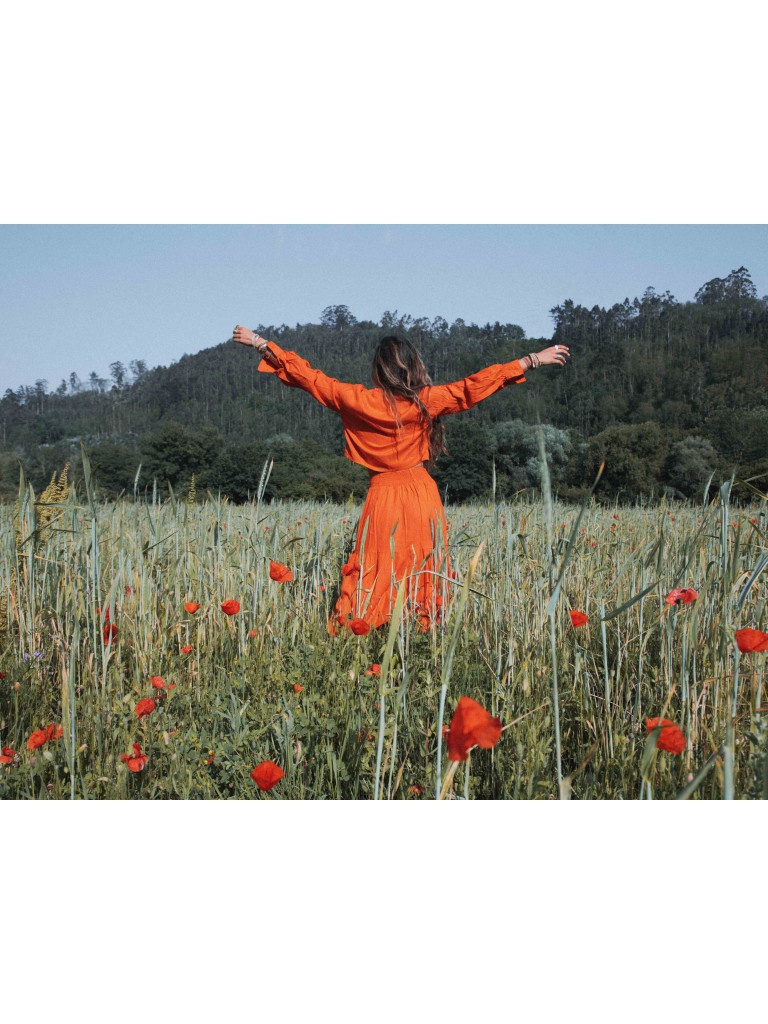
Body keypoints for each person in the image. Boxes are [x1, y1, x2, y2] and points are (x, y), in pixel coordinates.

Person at [232, 325, 569, 632]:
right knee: (425, 562)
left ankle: (362, 626)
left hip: (382, 497)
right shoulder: (427, 400)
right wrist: (530, 360)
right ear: (412, 367)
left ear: (378, 370)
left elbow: (310, 378)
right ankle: (423, 629)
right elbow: (471, 387)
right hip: (422, 495)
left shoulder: (357, 400)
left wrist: (262, 344)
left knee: (374, 565)